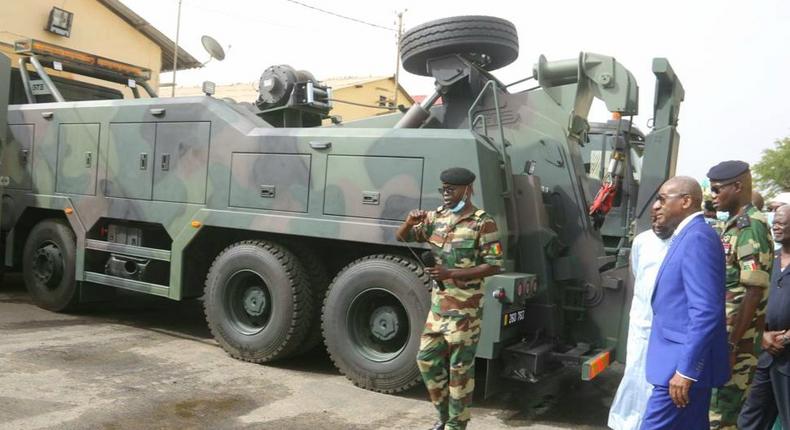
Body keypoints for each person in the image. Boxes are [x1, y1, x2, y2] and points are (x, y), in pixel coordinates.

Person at [396, 167, 504, 430]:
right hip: (439, 308)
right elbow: (402, 237)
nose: (446, 194)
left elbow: (494, 265)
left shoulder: (482, 222)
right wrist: (410, 222)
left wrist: (451, 272)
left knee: (460, 371)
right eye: (443, 189)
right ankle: (444, 417)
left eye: (451, 189)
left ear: (468, 190)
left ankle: (456, 425)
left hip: (466, 312)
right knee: (426, 359)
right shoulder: (437, 218)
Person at [640, 176, 729, 430]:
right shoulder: (688, 234)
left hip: (678, 370)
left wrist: (686, 371)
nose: (655, 206)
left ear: (686, 201)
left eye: (662, 199)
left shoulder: (697, 237)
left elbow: (705, 310)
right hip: (678, 365)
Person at [707, 160, 774, 430]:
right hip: (727, 338)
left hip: (739, 343)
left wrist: (733, 345)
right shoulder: (735, 224)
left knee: (722, 418)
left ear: (737, 186)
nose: (712, 196)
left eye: (716, 189)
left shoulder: (750, 226)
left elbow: (754, 291)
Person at [608, 219, 672, 430]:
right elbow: (635, 274)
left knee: (656, 383)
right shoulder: (642, 242)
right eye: (654, 216)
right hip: (640, 324)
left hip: (665, 329)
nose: (657, 219)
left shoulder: (680, 243)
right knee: (634, 375)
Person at [738, 204, 790, 430]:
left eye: (783, 222)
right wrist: (763, 336)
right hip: (764, 355)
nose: (776, 226)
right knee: (750, 418)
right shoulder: (771, 258)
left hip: (787, 360)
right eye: (775, 222)